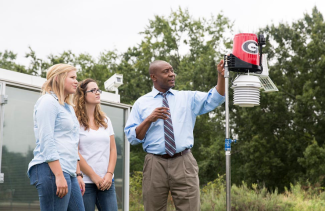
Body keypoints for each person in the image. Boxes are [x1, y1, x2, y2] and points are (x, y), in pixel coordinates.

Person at [124, 60, 226, 211]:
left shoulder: (187, 98)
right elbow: (133, 138)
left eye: (172, 70)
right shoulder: (141, 103)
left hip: (183, 161)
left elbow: (215, 98)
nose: (172, 74)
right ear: (154, 77)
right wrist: (149, 119)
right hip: (154, 163)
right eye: (166, 71)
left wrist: (221, 75)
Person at [27, 64, 85, 211]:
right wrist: (59, 175)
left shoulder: (68, 107)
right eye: (72, 77)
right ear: (58, 78)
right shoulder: (47, 102)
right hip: (51, 170)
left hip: (69, 171)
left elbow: (72, 143)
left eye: (76, 78)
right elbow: (47, 140)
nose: (76, 82)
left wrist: (77, 174)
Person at [74, 78, 118, 211]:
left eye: (98, 90)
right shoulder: (75, 120)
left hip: (107, 182)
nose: (97, 92)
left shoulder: (105, 120)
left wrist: (109, 174)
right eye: (92, 90)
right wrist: (94, 176)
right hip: (85, 182)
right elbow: (74, 152)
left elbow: (113, 149)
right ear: (82, 95)